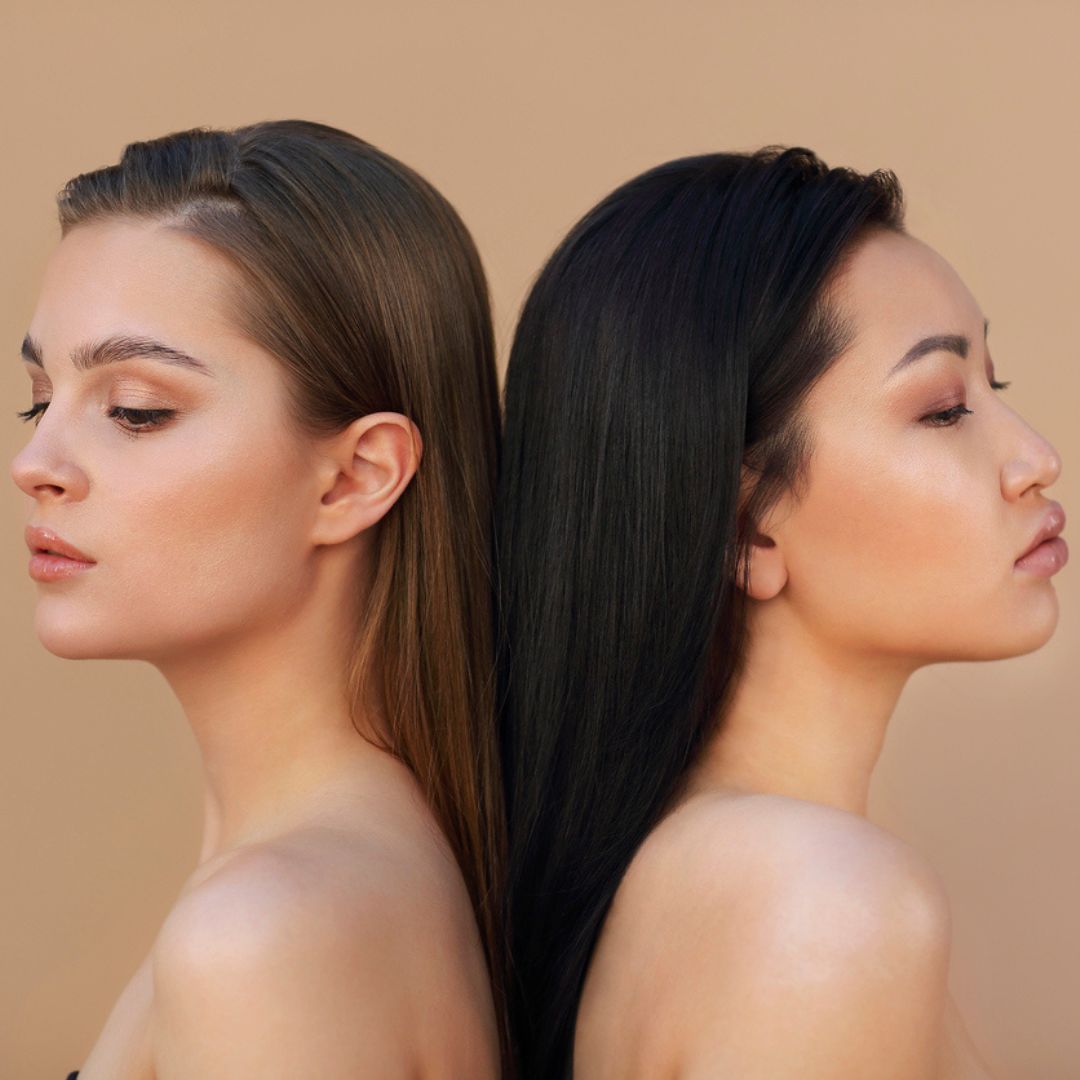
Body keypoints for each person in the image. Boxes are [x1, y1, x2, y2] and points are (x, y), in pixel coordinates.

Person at [495, 146, 1066, 1078]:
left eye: (993, 389)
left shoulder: (727, 876)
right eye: (943, 409)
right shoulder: (822, 904)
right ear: (748, 525)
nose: (1034, 457)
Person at [13, 120, 507, 1079]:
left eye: (134, 410)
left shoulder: (270, 933)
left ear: (355, 478)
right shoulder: (297, 893)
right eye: (40, 399)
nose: (35, 465)